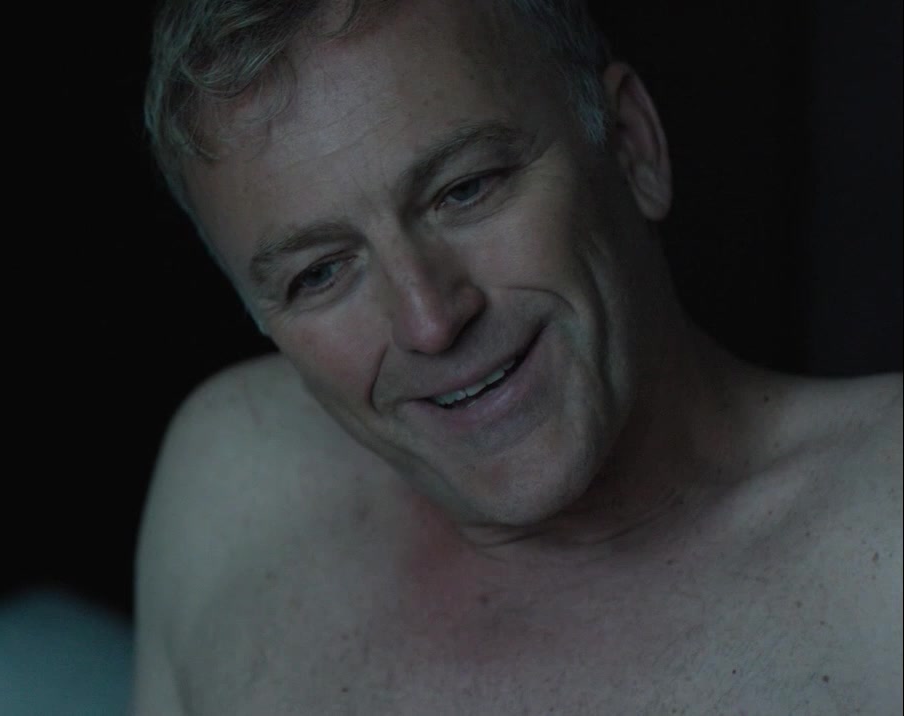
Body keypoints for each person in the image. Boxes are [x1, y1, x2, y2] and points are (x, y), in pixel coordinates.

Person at [132, 0, 903, 712]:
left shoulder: (882, 547)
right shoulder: (234, 486)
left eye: (466, 190)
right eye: (320, 274)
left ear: (631, 146)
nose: (430, 323)